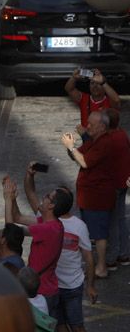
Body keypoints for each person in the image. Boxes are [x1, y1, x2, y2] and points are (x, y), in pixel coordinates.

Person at [23, 162, 95, 332]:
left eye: (53, 196)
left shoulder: (78, 226)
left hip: (72, 286)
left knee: (77, 325)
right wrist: (29, 176)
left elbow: (88, 256)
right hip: (53, 286)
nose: (47, 198)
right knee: (60, 326)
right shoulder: (46, 219)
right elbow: (30, 194)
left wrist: (90, 286)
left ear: (59, 203)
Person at [62, 110, 118, 278]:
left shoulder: (105, 143)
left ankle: (101, 267)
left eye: (91, 125)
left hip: (98, 196)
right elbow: (77, 156)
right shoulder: (94, 140)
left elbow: (84, 162)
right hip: (88, 196)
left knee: (99, 234)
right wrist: (71, 147)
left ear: (102, 127)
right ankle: (95, 265)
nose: (88, 127)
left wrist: (71, 147)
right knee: (92, 232)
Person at [2, 174, 65, 318]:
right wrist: (12, 199)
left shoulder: (47, 229)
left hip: (40, 292)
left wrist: (7, 200)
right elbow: (17, 217)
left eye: (48, 196)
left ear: (52, 205)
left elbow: (11, 232)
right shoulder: (52, 224)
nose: (44, 197)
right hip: (49, 288)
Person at [104, 108, 130, 270]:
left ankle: (112, 256)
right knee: (121, 218)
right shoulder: (122, 135)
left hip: (112, 185)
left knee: (112, 221)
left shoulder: (109, 139)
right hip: (122, 182)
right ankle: (124, 253)